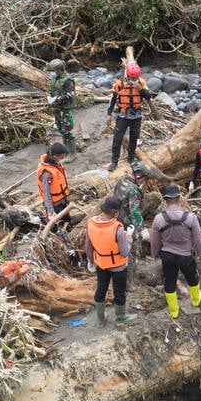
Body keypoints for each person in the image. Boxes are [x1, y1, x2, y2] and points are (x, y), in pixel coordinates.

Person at [150, 184, 201, 318]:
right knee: (192, 278)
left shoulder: (159, 218)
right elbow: (198, 238)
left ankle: (174, 311)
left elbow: (154, 239)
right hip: (186, 255)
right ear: (180, 198)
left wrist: (155, 254)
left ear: (165, 200)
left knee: (169, 282)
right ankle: (195, 300)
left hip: (168, 256)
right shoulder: (190, 217)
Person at [87, 197, 137, 325]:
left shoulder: (91, 224)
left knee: (101, 289)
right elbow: (125, 252)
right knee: (119, 292)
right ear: (115, 213)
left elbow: (88, 245)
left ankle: (101, 319)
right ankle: (120, 318)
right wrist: (129, 236)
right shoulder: (118, 230)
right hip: (118, 267)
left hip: (101, 264)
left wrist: (90, 261)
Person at [106, 62, 153, 172]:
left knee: (134, 138)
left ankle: (131, 158)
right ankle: (114, 161)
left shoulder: (141, 82)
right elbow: (112, 99)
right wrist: (109, 114)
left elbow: (149, 96)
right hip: (123, 115)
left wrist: (140, 89)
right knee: (117, 138)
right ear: (128, 75)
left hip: (136, 116)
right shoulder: (119, 83)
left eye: (136, 77)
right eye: (133, 77)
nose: (134, 79)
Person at [112, 161, 151, 289]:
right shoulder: (134, 190)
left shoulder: (121, 181)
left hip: (117, 221)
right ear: (139, 176)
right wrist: (142, 228)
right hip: (128, 225)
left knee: (119, 250)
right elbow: (134, 211)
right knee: (130, 252)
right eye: (143, 179)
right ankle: (129, 284)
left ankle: (117, 278)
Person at [47, 59, 76, 163]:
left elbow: (70, 95)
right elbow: (52, 90)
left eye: (52, 70)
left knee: (67, 130)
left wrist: (58, 99)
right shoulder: (54, 79)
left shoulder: (68, 80)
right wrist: (50, 97)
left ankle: (72, 153)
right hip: (57, 109)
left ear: (59, 70)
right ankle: (66, 152)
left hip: (65, 109)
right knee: (61, 129)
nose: (51, 72)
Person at [35, 142, 70, 224]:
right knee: (57, 225)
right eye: (62, 157)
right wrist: (51, 212)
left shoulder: (54, 162)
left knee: (67, 221)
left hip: (62, 200)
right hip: (55, 205)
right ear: (55, 157)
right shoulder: (47, 174)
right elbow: (46, 194)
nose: (63, 158)